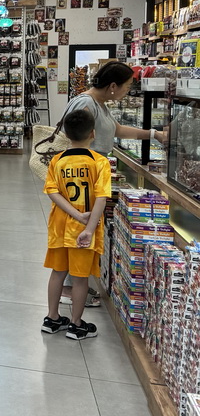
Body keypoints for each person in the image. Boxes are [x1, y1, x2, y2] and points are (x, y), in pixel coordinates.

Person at [57, 61, 167, 307]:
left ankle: (74, 286)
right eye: (127, 86)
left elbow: (116, 130)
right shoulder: (86, 103)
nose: (128, 91)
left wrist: (154, 135)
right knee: (78, 234)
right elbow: (72, 139)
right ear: (113, 86)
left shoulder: (100, 104)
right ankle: (73, 290)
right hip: (82, 181)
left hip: (92, 176)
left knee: (80, 235)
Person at [41, 108, 111, 340]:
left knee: (58, 272)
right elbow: (101, 197)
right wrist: (88, 225)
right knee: (80, 278)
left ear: (67, 135)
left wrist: (73, 214)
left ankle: (52, 318)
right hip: (83, 231)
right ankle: (76, 323)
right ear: (93, 133)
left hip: (60, 226)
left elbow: (52, 192)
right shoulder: (100, 162)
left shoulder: (57, 160)